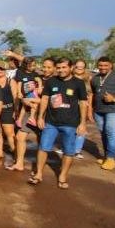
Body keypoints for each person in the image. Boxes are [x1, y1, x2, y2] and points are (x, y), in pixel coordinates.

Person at [29, 58, 88, 190]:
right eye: (59, 68)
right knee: (43, 147)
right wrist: (40, 117)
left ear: (71, 67)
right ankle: (38, 174)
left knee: (68, 151)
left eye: (64, 67)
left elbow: (83, 103)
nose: (61, 70)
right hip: (51, 122)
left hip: (71, 123)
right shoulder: (51, 81)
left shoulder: (78, 83)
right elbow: (45, 99)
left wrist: (83, 123)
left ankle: (62, 176)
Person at [72, 59, 93, 159]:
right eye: (77, 66)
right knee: (69, 127)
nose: (79, 69)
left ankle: (77, 150)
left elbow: (91, 94)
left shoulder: (88, 78)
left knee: (82, 126)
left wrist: (90, 110)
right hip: (70, 106)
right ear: (74, 67)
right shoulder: (69, 77)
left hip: (84, 105)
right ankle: (67, 147)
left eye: (82, 67)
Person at [15, 57, 43, 129]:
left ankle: (19, 120)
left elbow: (39, 80)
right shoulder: (22, 73)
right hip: (26, 93)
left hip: (31, 92)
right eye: (30, 66)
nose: (32, 67)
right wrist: (19, 92)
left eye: (34, 65)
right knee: (36, 103)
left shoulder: (35, 74)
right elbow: (19, 83)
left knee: (24, 107)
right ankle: (31, 117)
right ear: (25, 65)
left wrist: (39, 87)